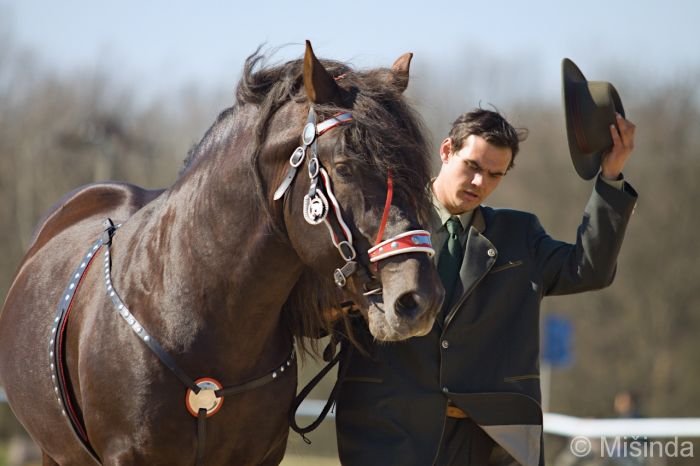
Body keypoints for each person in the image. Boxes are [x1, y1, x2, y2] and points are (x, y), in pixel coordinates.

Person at [334, 107, 637, 466]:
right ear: (446, 150)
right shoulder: (380, 225)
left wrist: (611, 175)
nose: (480, 183)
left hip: (490, 442)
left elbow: (589, 269)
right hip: (388, 434)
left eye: (495, 175)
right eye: (472, 167)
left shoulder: (520, 235)